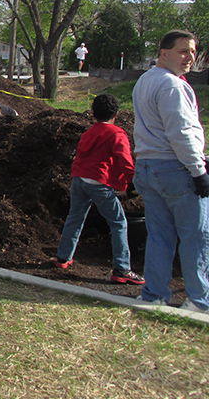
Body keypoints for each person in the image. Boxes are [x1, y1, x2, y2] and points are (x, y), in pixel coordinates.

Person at [132, 29, 209, 312]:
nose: (190, 57)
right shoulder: (173, 86)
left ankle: (153, 294)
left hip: (147, 167)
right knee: (197, 236)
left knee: (160, 235)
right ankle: (200, 302)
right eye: (183, 51)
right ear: (164, 54)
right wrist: (198, 170)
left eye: (192, 51)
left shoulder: (145, 80)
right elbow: (181, 132)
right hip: (175, 169)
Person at [54, 94, 144, 285]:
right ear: (116, 114)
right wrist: (132, 183)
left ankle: (63, 258)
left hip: (79, 179)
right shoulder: (117, 134)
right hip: (99, 183)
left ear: (93, 113)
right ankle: (122, 268)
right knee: (118, 223)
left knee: (75, 217)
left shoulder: (88, 133)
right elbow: (125, 160)